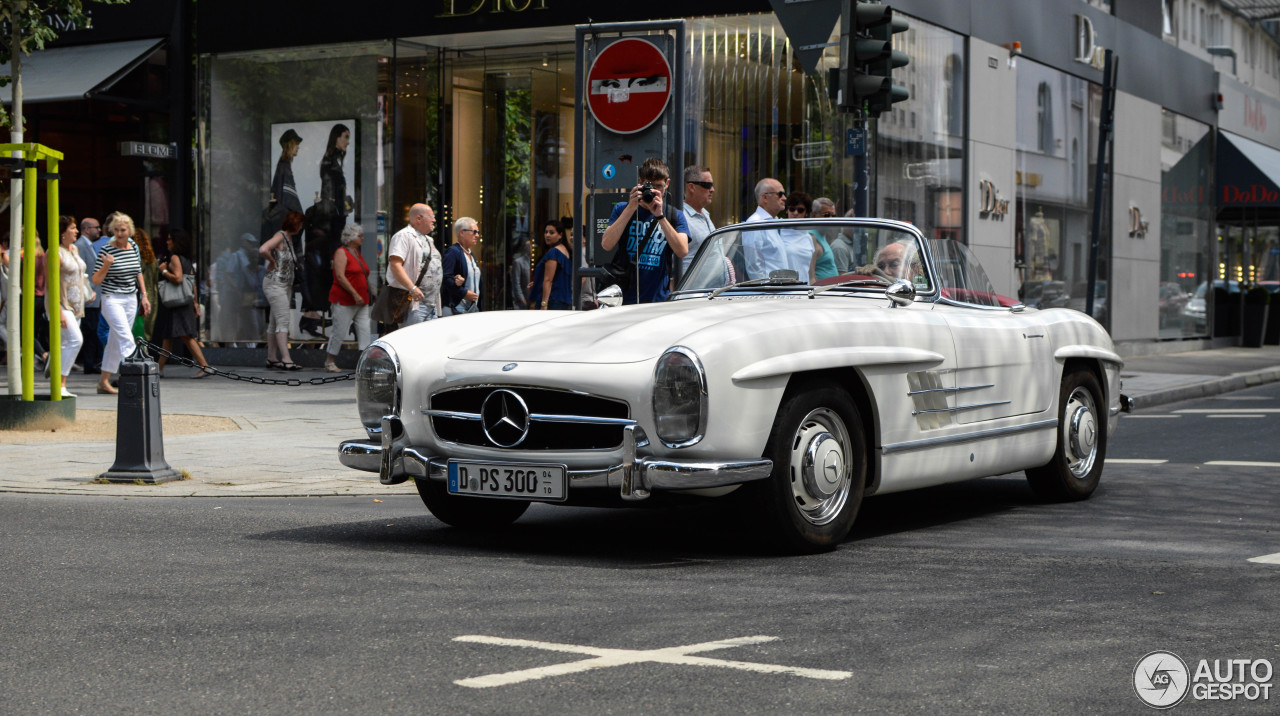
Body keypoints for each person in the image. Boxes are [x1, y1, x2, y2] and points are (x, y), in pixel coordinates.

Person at [600, 157, 690, 304]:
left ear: (667, 184)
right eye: (649, 186)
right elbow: (606, 244)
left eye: (659, 186)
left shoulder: (674, 215)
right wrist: (631, 207)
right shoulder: (622, 209)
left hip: (657, 300)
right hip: (625, 299)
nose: (654, 191)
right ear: (640, 182)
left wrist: (660, 216)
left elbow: (682, 250)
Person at [91, 213, 151, 394]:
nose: (119, 234)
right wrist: (107, 264)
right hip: (111, 299)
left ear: (130, 231)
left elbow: (138, 271)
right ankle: (138, 375)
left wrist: (144, 295)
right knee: (125, 336)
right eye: (116, 230)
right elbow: (95, 279)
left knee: (114, 341)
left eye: (123, 230)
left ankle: (103, 382)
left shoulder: (133, 246)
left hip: (131, 298)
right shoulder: (106, 250)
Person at [153, 229, 212, 378]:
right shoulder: (186, 260)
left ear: (176, 241)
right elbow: (192, 284)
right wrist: (195, 303)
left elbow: (178, 278)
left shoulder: (174, 258)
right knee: (168, 337)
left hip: (176, 304)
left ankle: (204, 366)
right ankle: (158, 369)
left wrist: (164, 271)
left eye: (169, 239)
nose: (167, 242)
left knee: (186, 336)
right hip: (183, 302)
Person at [47, 216, 92, 395]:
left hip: (76, 304)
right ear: (62, 232)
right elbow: (51, 283)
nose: (76, 231)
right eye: (72, 228)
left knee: (67, 341)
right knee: (75, 340)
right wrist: (57, 309)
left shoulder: (75, 249)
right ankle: (60, 385)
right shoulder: (55, 253)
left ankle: (59, 381)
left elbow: (81, 275)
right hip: (62, 303)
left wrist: (88, 291)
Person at [258, 210, 304, 370]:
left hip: (284, 285)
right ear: (295, 224)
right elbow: (263, 249)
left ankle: (271, 357)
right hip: (276, 284)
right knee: (283, 321)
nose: (301, 227)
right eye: (300, 224)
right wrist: (272, 262)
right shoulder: (281, 236)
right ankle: (286, 358)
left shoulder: (289, 238)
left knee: (275, 321)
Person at [385, 203, 443, 327]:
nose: (434, 220)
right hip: (413, 304)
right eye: (431, 216)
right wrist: (412, 288)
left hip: (430, 304)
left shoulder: (429, 239)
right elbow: (395, 265)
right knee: (412, 343)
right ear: (418, 218)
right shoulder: (403, 236)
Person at [324, 223, 371, 372]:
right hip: (345, 299)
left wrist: (369, 290)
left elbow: (362, 274)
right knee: (339, 330)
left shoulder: (357, 253)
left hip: (361, 300)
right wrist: (354, 293)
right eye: (360, 236)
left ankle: (365, 362)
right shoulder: (341, 252)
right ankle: (329, 361)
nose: (362, 238)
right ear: (351, 238)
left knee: (364, 329)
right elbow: (339, 276)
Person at [742, 178, 797, 280]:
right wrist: (764, 291)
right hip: (769, 291)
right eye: (780, 194)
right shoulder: (755, 223)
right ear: (765, 197)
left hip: (780, 290)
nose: (784, 198)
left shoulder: (774, 222)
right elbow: (754, 267)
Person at [786, 192, 837, 281]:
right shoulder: (812, 236)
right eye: (826, 215)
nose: (795, 213)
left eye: (833, 215)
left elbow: (811, 274)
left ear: (806, 212)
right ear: (813, 215)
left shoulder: (810, 237)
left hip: (817, 290)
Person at [76, 217, 103, 373]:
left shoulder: (88, 246)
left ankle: (91, 362)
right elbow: (82, 273)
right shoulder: (80, 246)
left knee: (93, 331)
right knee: (90, 331)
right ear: (86, 229)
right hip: (89, 298)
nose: (99, 230)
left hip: (94, 297)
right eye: (96, 227)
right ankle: (89, 363)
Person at [529, 219, 573, 310]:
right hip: (563, 300)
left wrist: (544, 304)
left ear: (560, 235)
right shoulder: (566, 252)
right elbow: (558, 277)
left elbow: (548, 280)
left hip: (552, 301)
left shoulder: (554, 252)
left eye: (551, 232)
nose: (547, 235)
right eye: (546, 232)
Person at [441, 217, 481, 316]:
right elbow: (445, 277)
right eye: (474, 232)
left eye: (478, 232)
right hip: (456, 308)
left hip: (471, 308)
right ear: (462, 233)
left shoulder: (471, 254)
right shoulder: (453, 252)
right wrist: (464, 293)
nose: (477, 235)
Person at [681, 165, 715, 276]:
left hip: (712, 289)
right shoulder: (681, 217)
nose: (712, 190)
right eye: (707, 185)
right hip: (693, 290)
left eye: (712, 185)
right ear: (691, 187)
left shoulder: (706, 214)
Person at [135, 227, 161, 341]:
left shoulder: (135, 258)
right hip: (152, 297)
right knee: (148, 331)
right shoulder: (152, 259)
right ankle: (145, 353)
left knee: (137, 329)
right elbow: (156, 279)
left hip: (139, 296)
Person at [510, 238, 530, 310]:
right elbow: (516, 282)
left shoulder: (536, 261)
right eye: (528, 245)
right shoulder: (518, 262)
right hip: (523, 300)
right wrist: (521, 298)